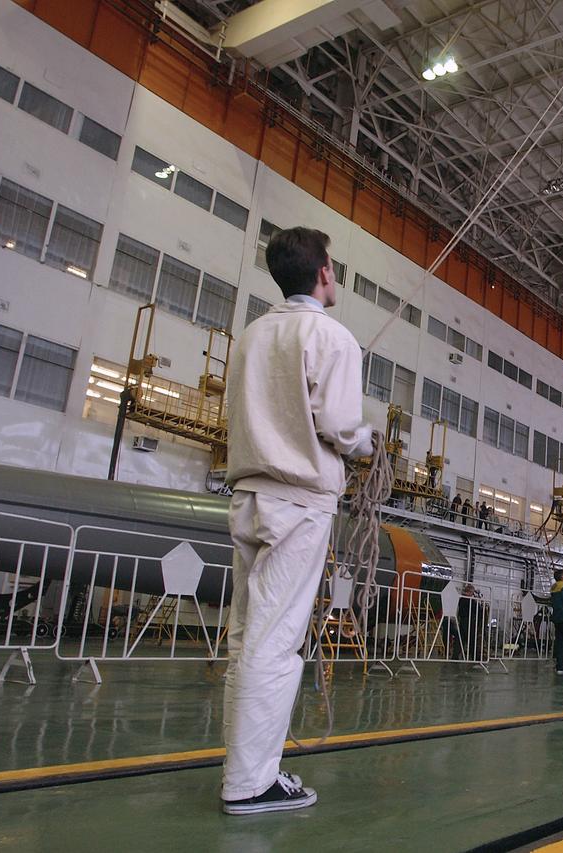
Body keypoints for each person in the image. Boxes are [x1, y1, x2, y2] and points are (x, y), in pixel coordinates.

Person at [221, 226, 374, 815]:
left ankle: (249, 769)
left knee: (246, 639)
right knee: (275, 642)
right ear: (324, 273)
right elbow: (337, 429)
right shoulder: (333, 338)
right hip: (299, 502)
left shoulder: (251, 335)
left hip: (248, 496)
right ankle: (249, 783)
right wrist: (367, 441)